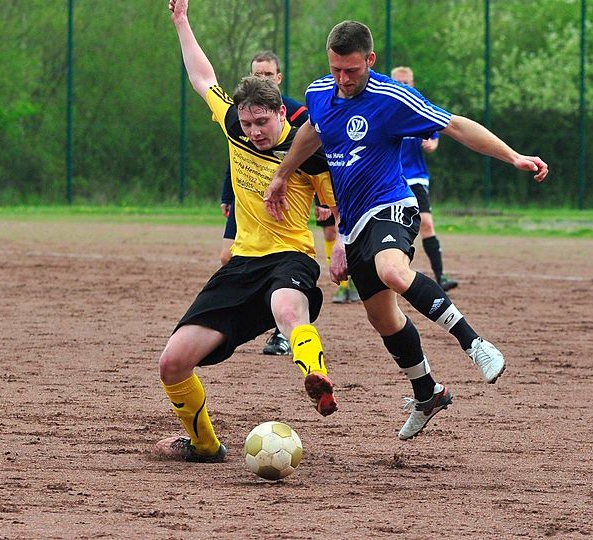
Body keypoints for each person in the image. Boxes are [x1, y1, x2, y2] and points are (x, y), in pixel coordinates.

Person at [264, 20, 548, 441]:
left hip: (392, 205)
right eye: (337, 69)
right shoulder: (319, 92)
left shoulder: (391, 97)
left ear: (371, 61)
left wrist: (513, 156)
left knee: (392, 271)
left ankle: (475, 344)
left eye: (353, 71)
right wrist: (283, 174)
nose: (344, 79)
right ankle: (428, 392)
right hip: (355, 223)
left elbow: (455, 125)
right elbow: (312, 131)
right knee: (383, 318)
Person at [153, 0, 339, 463]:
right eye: (249, 122)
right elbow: (202, 78)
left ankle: (317, 377)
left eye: (263, 122)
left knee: (286, 307)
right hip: (241, 265)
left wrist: (342, 247)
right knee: (172, 363)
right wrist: (181, 22)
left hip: (290, 258)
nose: (254, 131)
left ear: (281, 113)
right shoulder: (233, 123)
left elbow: (343, 204)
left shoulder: (309, 153)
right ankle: (203, 445)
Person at [218, 51, 311, 356]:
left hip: (281, 207)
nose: (262, 80)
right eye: (257, 74)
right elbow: (233, 155)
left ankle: (282, 329)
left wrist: (326, 203)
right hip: (246, 198)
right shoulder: (240, 116)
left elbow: (316, 153)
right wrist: (226, 195)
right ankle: (267, 316)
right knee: (226, 256)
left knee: (281, 277)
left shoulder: (299, 115)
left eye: (268, 75)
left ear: (278, 79)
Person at [391, 66, 457, 292]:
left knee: (427, 224)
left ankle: (441, 276)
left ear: (413, 83)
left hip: (416, 178)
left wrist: (432, 144)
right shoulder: (384, 111)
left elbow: (436, 136)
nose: (403, 86)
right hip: (389, 180)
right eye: (398, 82)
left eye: (406, 82)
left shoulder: (417, 111)